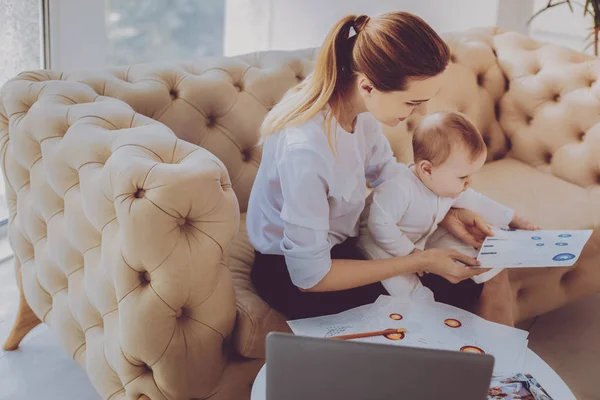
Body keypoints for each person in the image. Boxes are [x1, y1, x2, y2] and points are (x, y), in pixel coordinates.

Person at [247, 11, 496, 320]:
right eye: (412, 102)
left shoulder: (358, 110)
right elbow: (309, 277)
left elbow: (386, 173)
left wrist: (445, 212)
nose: (423, 113)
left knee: (473, 276)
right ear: (367, 87)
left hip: (345, 243)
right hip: (291, 271)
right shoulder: (306, 151)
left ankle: (503, 367)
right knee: (435, 304)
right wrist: (421, 261)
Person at [357, 111, 538, 325]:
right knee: (403, 285)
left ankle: (480, 275)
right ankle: (423, 305)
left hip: (419, 235)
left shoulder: (442, 184)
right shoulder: (399, 188)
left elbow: (477, 201)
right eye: (463, 177)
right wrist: (409, 253)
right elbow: (379, 225)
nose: (469, 182)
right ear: (427, 169)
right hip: (378, 244)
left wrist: (513, 218)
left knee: (474, 251)